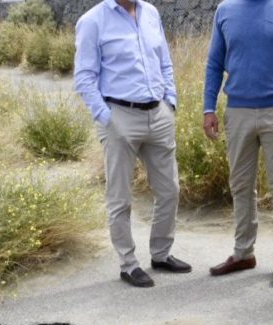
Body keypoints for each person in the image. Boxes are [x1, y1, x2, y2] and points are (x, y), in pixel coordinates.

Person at [74, 0, 191, 288]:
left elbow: (164, 61)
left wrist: (170, 103)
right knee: (120, 197)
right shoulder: (92, 21)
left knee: (169, 190)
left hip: (158, 114)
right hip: (119, 116)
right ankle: (128, 264)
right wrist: (106, 117)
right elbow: (84, 77)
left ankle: (161, 254)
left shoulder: (150, 13)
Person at [202, 0, 273, 284]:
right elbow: (215, 63)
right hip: (237, 111)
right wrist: (208, 108)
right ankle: (243, 253)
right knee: (241, 185)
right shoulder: (225, 10)